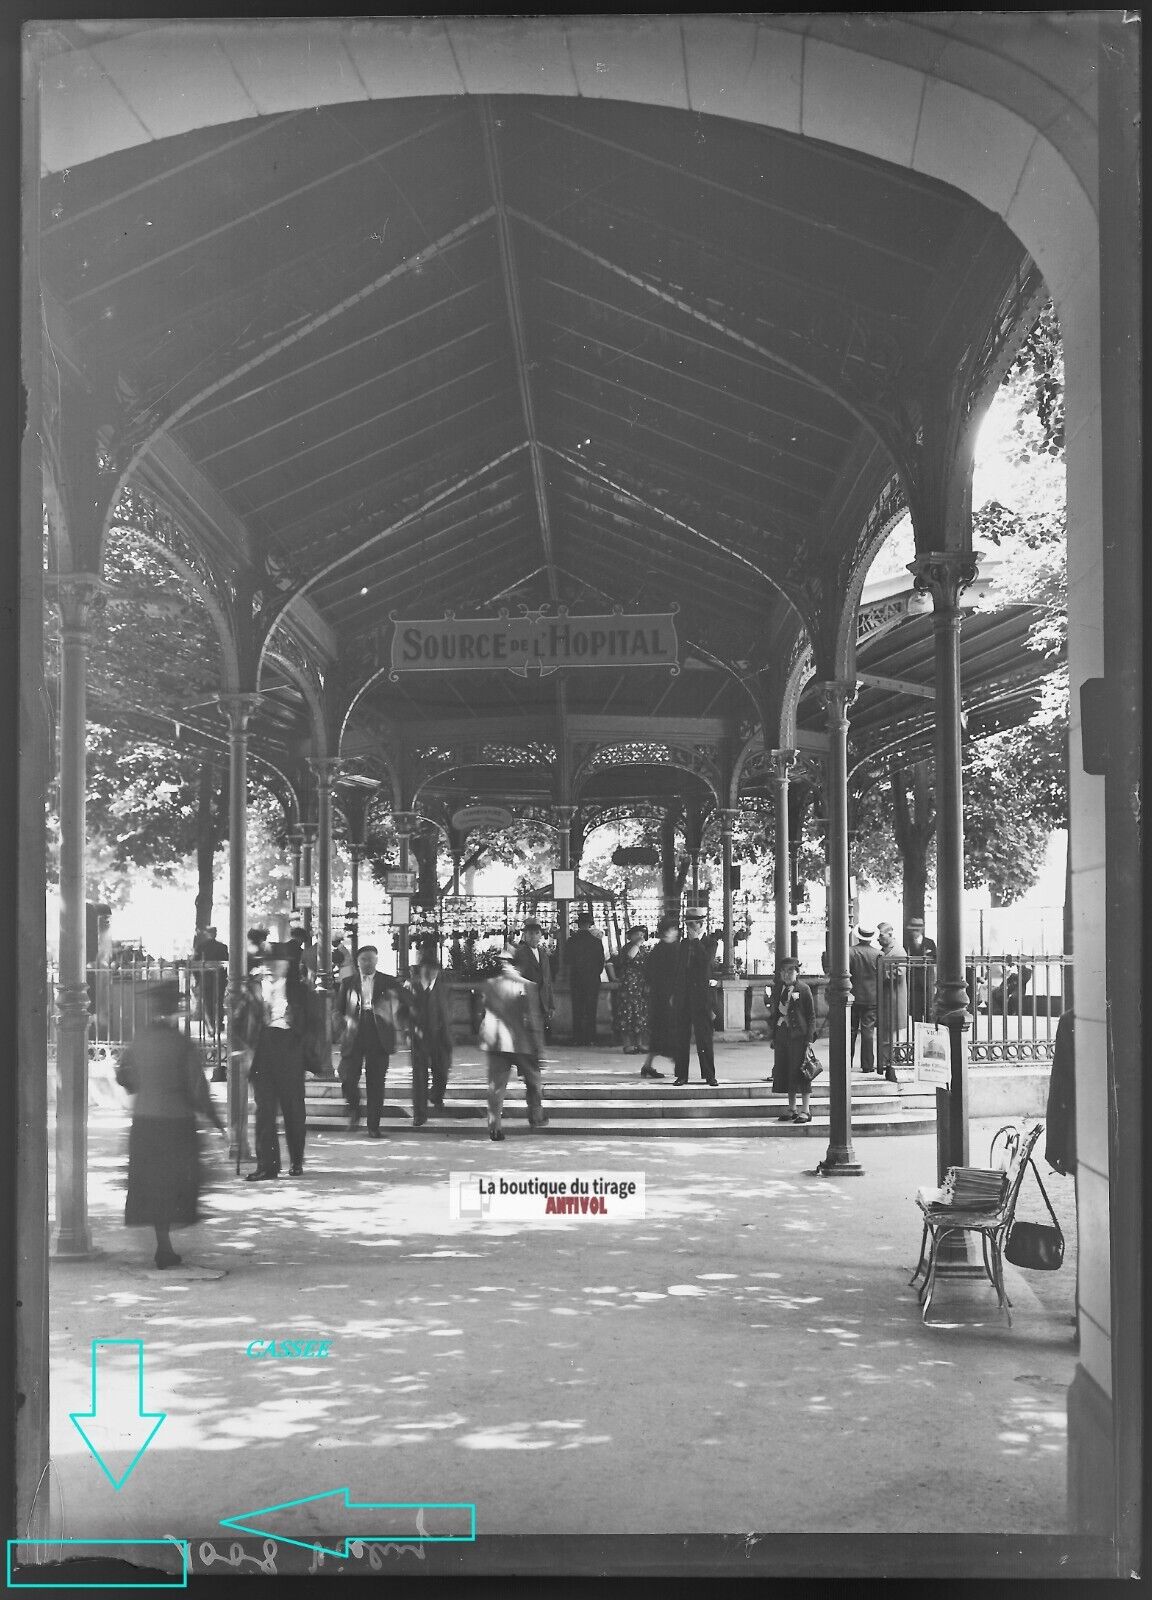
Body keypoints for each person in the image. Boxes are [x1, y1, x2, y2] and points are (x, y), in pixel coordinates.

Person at [119, 979, 226, 1268]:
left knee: (152, 1184)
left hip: (145, 1122)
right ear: (174, 1009)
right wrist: (215, 1120)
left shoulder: (140, 1038)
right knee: (174, 1184)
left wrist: (143, 1087)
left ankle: (162, 1243)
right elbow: (198, 1088)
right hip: (176, 1124)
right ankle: (165, 1247)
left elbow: (123, 1076)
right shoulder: (182, 1043)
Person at [236, 942, 321, 1180]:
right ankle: (267, 1165)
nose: (272, 967)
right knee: (264, 1112)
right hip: (262, 1051)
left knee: (294, 1110)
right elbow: (238, 1021)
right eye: (268, 962)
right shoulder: (252, 990)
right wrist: (248, 1046)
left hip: (290, 1049)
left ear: (287, 965)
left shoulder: (300, 991)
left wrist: (304, 1052)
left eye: (278, 962)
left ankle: (296, 1161)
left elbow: (315, 1025)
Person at [335, 944, 409, 1138]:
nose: (367, 963)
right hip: (354, 1034)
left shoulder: (389, 981)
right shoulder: (348, 982)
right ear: (357, 962)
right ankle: (354, 1110)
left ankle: (373, 1126)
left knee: (376, 1083)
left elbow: (403, 1004)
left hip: (379, 1036)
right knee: (348, 1078)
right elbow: (338, 1010)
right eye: (363, 959)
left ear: (377, 960)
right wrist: (342, 1030)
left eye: (371, 959)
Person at [477, 945, 549, 1140]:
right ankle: (536, 1115)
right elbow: (534, 1020)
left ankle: (494, 1127)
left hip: (496, 1043)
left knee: (496, 1086)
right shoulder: (527, 985)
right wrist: (540, 1049)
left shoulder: (489, 984)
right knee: (533, 1081)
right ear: (521, 965)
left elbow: (482, 1013)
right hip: (522, 1043)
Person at [766, 955, 817, 1123]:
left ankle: (806, 1110)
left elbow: (811, 1016)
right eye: (783, 971)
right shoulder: (778, 989)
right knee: (787, 1071)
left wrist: (809, 1039)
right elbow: (775, 1014)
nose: (786, 974)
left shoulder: (803, 989)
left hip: (798, 1036)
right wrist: (774, 1035)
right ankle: (792, 1108)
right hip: (782, 1035)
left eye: (790, 971)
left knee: (802, 1072)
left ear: (797, 972)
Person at [407, 944, 453, 1126]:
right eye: (427, 969)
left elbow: (449, 1013)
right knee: (419, 1077)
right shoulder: (413, 987)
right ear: (421, 970)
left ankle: (436, 1095)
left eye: (434, 969)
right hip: (419, 1037)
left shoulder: (444, 988)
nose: (430, 973)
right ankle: (419, 1114)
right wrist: (408, 1030)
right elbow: (403, 1011)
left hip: (441, 1037)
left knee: (441, 1072)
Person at [673, 907, 719, 1085]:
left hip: (702, 998)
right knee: (681, 1038)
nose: (689, 928)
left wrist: (697, 942)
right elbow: (678, 970)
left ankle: (709, 1074)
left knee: (704, 1037)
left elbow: (706, 962)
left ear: (701, 924)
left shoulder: (710, 942)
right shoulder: (683, 944)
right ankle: (682, 1074)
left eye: (693, 924)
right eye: (688, 924)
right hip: (684, 997)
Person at [640, 913, 681, 1079]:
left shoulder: (660, 949)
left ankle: (648, 1065)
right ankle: (678, 1065)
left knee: (661, 1032)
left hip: (662, 996)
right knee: (668, 1032)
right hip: (665, 997)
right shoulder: (671, 949)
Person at [565, 910, 606, 1044]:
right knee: (591, 1009)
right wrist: (594, 973)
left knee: (577, 1009)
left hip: (576, 978)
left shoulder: (571, 941)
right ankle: (591, 1038)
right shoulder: (596, 942)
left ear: (578, 925)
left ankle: (578, 1037)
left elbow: (567, 960)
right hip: (592, 979)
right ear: (589, 925)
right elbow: (601, 962)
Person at [876, 922, 907, 1083]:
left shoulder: (898, 951)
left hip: (894, 999)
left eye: (881, 935)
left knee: (892, 1034)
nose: (878, 938)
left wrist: (880, 973)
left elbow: (899, 973)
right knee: (887, 1033)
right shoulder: (885, 951)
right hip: (888, 999)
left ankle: (891, 1064)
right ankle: (887, 1063)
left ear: (890, 934)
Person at [513, 918, 554, 1035]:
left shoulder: (543, 954)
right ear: (525, 935)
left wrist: (551, 1004)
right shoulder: (519, 953)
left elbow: (548, 980)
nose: (533, 936)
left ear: (541, 935)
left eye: (537, 933)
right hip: (526, 999)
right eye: (530, 933)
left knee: (538, 1033)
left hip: (542, 1001)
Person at [848, 925, 880, 1073]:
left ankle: (847, 1062)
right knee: (868, 1032)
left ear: (858, 936)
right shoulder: (878, 954)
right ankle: (867, 1065)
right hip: (872, 998)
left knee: (851, 1030)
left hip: (853, 997)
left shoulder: (850, 952)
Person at [615, 926, 650, 1058]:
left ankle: (639, 1043)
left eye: (642, 934)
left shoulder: (643, 949)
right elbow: (630, 956)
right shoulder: (627, 948)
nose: (641, 937)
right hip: (628, 984)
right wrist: (637, 944)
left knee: (640, 1014)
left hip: (640, 984)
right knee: (627, 1013)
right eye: (638, 934)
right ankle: (627, 1044)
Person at [197, 925, 228, 1040]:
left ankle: (210, 1027)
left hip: (206, 979)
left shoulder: (201, 947)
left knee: (208, 1003)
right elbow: (226, 964)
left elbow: (195, 964)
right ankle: (219, 1025)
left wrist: (198, 979)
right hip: (219, 979)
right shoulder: (222, 947)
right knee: (219, 1002)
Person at [905, 917, 937, 1022]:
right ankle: (917, 1036)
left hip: (927, 982)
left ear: (922, 929)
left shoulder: (930, 943)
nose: (915, 930)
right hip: (913, 983)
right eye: (913, 928)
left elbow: (936, 960)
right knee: (915, 1012)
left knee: (929, 1010)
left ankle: (929, 1036)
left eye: (918, 928)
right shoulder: (906, 944)